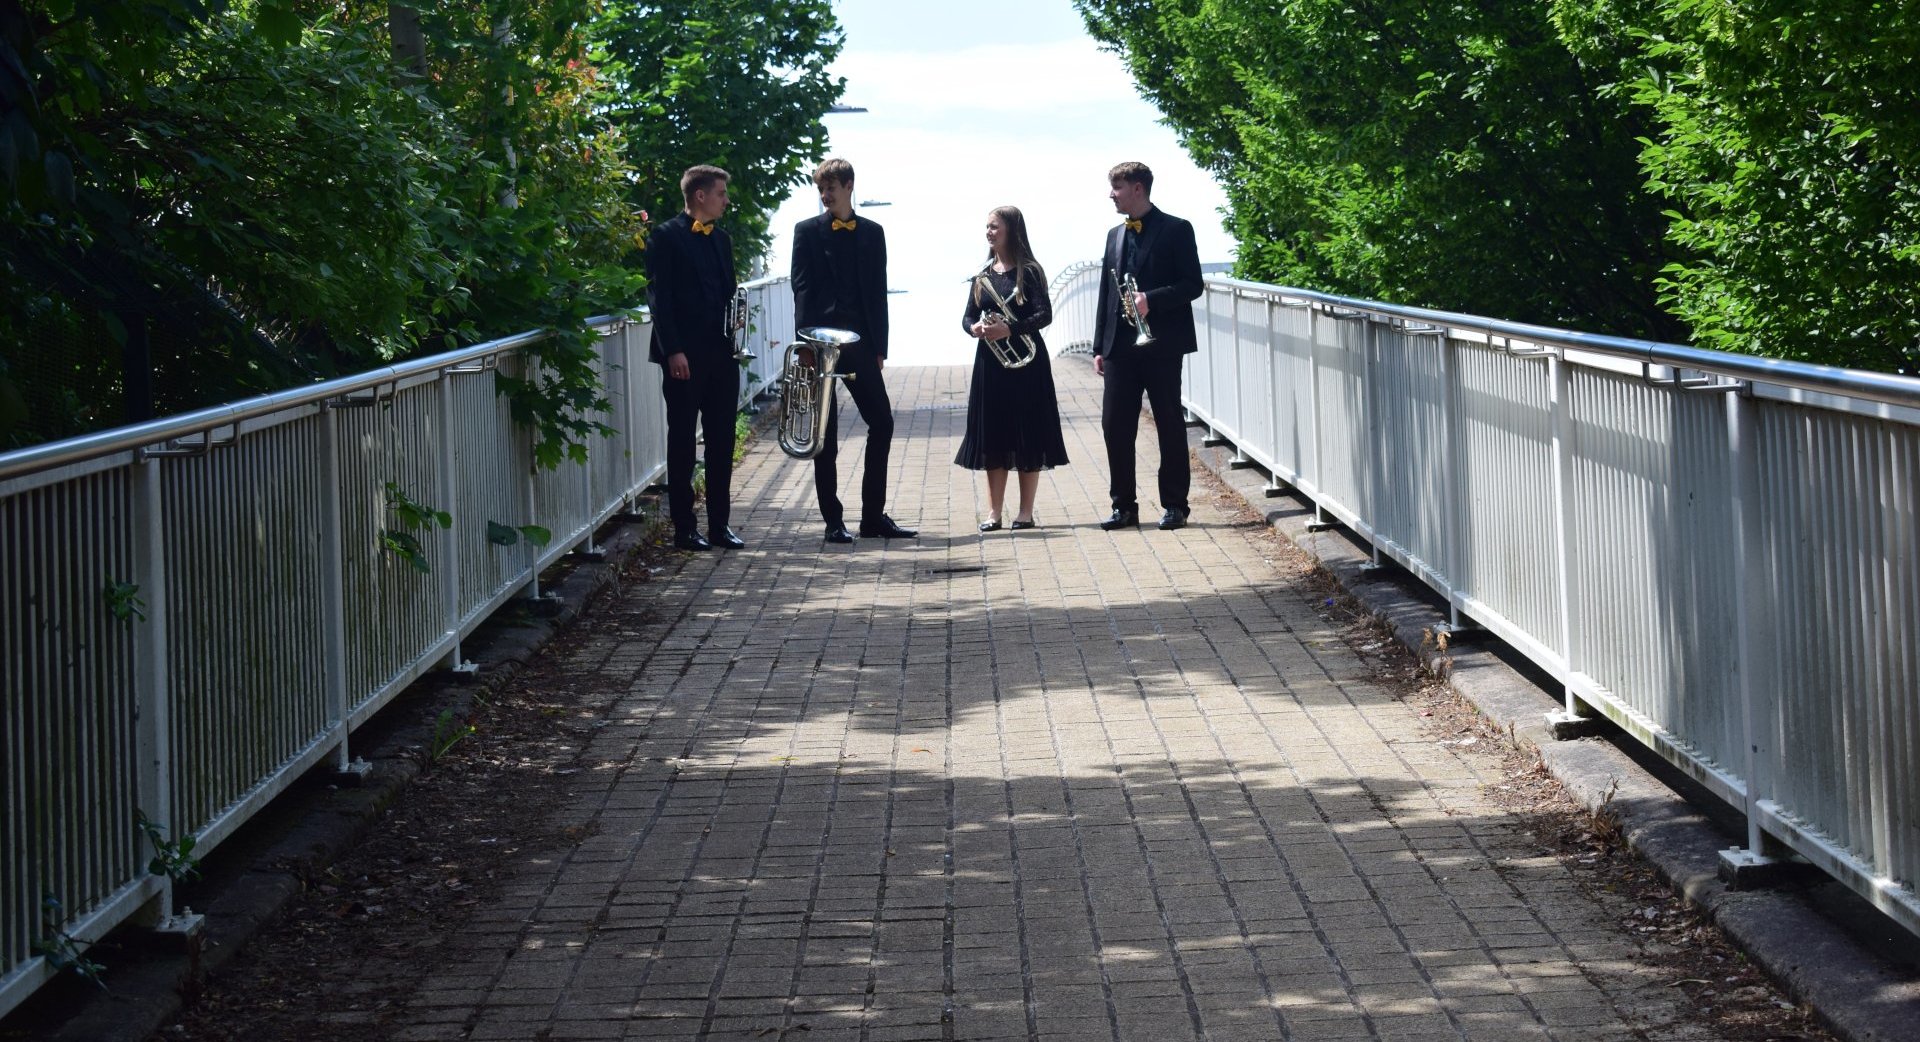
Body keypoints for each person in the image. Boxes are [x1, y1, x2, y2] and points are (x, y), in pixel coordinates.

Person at [789, 158, 917, 544]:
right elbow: (801, 289)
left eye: (831, 188)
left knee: (882, 422)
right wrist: (805, 345)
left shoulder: (873, 232)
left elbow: (878, 293)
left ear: (848, 186)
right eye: (820, 190)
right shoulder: (806, 231)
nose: (825, 196)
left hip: (860, 345)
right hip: (820, 345)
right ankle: (833, 520)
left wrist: (880, 347)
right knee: (824, 434)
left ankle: (873, 517)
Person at [1091, 161, 1205, 531]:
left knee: (1169, 424)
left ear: (1137, 188)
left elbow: (1193, 285)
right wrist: (1098, 346)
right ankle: (1123, 506)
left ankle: (1175, 505)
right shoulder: (1112, 234)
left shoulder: (1177, 229)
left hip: (1161, 346)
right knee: (1115, 427)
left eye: (1117, 188)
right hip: (1120, 347)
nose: (1111, 194)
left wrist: (1150, 299)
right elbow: (1107, 293)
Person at [647, 164, 745, 552]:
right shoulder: (664, 237)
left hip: (722, 354)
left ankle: (720, 525)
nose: (726, 200)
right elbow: (659, 299)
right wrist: (673, 350)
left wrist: (738, 329)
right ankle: (684, 528)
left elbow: (730, 291)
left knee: (722, 441)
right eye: (721, 193)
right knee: (683, 443)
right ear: (700, 195)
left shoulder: (721, 239)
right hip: (684, 358)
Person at [956, 206, 1068, 530]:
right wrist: (974, 328)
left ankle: (1026, 512)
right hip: (990, 364)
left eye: (995, 228)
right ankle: (993, 513)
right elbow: (967, 316)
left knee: (1027, 433)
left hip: (1027, 364)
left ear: (1011, 231)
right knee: (993, 435)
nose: (989, 233)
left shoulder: (1029, 272)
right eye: (987, 228)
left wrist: (1010, 329)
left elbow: (1044, 315)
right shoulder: (983, 276)